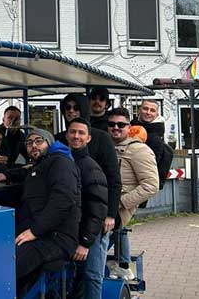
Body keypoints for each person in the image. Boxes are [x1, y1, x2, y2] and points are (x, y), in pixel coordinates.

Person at [0, 128, 81, 295]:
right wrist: (7, 175)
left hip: (55, 237)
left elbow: (63, 201)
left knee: (3, 267)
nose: (33, 146)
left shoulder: (61, 162)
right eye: (29, 143)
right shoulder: (44, 162)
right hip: (42, 234)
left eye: (39, 141)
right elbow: (29, 172)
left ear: (49, 143)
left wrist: (35, 231)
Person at [54, 95, 118, 299]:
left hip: (94, 220)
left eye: (76, 108)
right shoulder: (59, 144)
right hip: (69, 222)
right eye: (67, 108)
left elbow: (112, 179)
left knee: (92, 274)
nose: (71, 111)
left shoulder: (99, 143)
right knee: (72, 274)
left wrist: (110, 214)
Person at [106, 107, 159, 280]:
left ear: (129, 127)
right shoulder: (104, 146)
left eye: (121, 124)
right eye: (112, 124)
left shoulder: (139, 150)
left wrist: (120, 202)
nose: (116, 127)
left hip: (118, 210)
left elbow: (151, 185)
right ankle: (120, 265)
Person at [64, 118, 108, 299]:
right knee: (76, 279)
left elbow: (98, 207)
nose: (76, 136)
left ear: (88, 138)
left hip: (90, 234)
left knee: (92, 277)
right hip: (72, 230)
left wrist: (85, 242)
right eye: (73, 132)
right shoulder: (62, 161)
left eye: (81, 133)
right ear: (66, 135)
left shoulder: (90, 166)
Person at [132, 100, 174, 192]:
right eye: (145, 109)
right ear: (139, 110)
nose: (148, 112)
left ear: (157, 114)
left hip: (140, 183)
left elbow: (151, 165)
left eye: (152, 110)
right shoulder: (130, 126)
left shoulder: (156, 138)